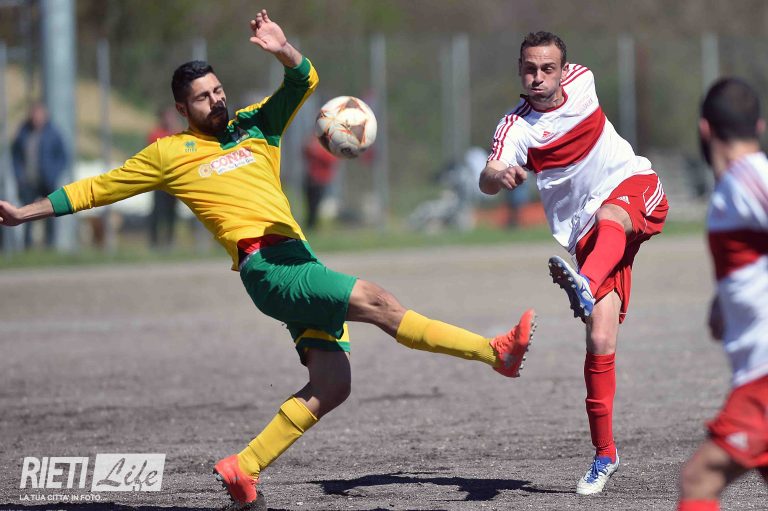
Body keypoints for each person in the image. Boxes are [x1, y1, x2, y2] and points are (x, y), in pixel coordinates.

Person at [0, 10, 536, 509]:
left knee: (333, 384)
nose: (216, 101)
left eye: (218, 91)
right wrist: (26, 212)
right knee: (378, 302)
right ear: (183, 110)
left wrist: (283, 50)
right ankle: (494, 352)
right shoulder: (168, 154)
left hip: (298, 259)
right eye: (202, 98)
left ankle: (244, 467)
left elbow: (303, 80)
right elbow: (98, 188)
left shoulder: (257, 126)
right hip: (269, 269)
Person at [479, 31, 669, 495]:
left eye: (548, 68)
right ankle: (605, 455)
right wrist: (500, 175)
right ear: (519, 70)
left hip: (632, 186)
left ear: (565, 71)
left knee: (610, 215)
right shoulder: (516, 127)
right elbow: (487, 174)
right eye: (529, 69)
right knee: (600, 339)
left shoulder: (585, 80)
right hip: (586, 235)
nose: (538, 77)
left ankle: (583, 282)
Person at [676, 78, 768, 511]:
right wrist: (723, 302)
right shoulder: (737, 184)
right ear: (759, 126)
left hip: (764, 379)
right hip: (754, 372)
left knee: (699, 480)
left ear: (705, 129)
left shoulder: (749, 177)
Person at [11, 102, 68, 248]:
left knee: (51, 211)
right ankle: (27, 246)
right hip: (28, 181)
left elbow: (63, 157)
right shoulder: (23, 132)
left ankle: (50, 244)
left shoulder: (53, 133)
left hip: (47, 180)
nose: (36, 118)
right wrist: (19, 175)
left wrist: (54, 173)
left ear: (45, 115)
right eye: (34, 114)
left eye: (39, 115)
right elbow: (15, 155)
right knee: (27, 213)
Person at [147, 106, 182, 249]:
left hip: (174, 180)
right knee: (157, 211)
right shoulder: (156, 134)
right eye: (168, 116)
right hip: (159, 180)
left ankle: (169, 241)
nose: (170, 119)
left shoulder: (177, 134)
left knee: (172, 212)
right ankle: (155, 242)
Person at [302, 134, 338, 230]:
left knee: (316, 204)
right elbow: (305, 151)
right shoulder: (314, 140)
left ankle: (313, 225)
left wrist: (317, 152)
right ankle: (309, 224)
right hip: (311, 178)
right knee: (309, 203)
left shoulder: (329, 145)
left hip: (321, 180)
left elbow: (330, 159)